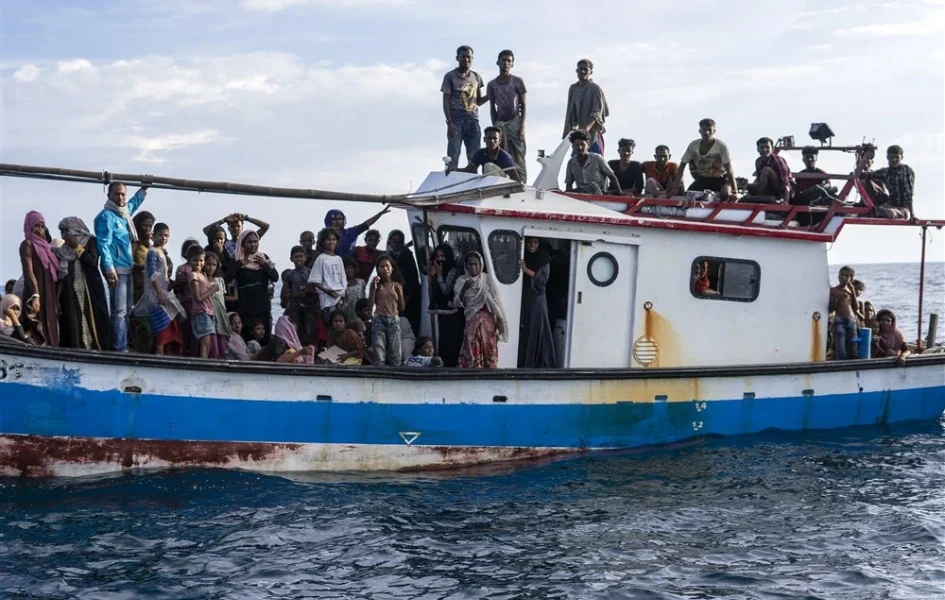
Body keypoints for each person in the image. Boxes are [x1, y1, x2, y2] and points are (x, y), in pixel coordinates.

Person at [94, 182, 150, 351]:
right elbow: (103, 244)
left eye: (123, 194)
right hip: (116, 268)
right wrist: (109, 267)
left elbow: (133, 203)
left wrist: (143, 189)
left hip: (127, 267)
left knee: (127, 310)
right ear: (109, 195)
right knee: (118, 311)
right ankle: (119, 347)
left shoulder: (123, 213)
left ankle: (124, 344)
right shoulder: (106, 217)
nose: (120, 197)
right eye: (117, 194)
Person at [55, 217, 113, 351]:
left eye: (66, 231)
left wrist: (77, 247)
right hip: (71, 292)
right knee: (73, 320)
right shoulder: (64, 250)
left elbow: (92, 262)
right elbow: (61, 276)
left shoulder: (91, 241)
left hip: (90, 289)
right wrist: (57, 298)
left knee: (94, 318)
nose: (64, 236)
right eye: (62, 232)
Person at [453, 251, 508, 369]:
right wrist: (464, 289)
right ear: (466, 266)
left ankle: (489, 370)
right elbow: (457, 302)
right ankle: (473, 369)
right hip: (471, 317)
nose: (473, 267)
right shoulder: (461, 281)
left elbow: (496, 301)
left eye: (475, 264)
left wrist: (499, 319)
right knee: (471, 342)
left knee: (489, 345)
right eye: (470, 264)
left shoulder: (486, 279)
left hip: (488, 320)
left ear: (480, 264)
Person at [135, 222, 184, 356]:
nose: (164, 238)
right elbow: (152, 273)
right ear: (154, 236)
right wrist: (159, 293)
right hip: (156, 295)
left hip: (162, 293)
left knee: (170, 325)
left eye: (166, 235)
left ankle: (165, 353)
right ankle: (159, 354)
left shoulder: (161, 252)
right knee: (162, 327)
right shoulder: (153, 252)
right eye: (161, 235)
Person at [226, 229, 278, 346]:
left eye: (255, 241)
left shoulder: (263, 257)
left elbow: (275, 277)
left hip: (262, 303)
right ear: (242, 244)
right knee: (246, 335)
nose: (253, 244)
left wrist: (264, 264)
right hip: (245, 305)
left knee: (264, 334)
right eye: (249, 242)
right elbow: (227, 279)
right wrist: (241, 263)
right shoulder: (236, 259)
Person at [19, 211, 60, 347]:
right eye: (36, 225)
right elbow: (28, 271)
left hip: (49, 293)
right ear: (29, 227)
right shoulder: (27, 244)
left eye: (42, 226)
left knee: (50, 324)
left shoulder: (48, 249)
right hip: (36, 292)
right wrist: (35, 294)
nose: (40, 229)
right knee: (36, 323)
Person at [442, 45, 486, 169]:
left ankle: (473, 178)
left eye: (469, 57)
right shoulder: (450, 76)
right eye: (463, 57)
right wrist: (449, 122)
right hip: (456, 121)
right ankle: (451, 177)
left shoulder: (476, 77)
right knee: (453, 155)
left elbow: (478, 101)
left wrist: (491, 95)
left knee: (474, 157)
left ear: (472, 59)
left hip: (473, 120)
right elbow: (446, 101)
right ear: (457, 58)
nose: (466, 59)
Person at [487, 49, 528, 181]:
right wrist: (494, 126)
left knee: (518, 154)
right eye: (503, 60)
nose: (506, 63)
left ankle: (521, 182)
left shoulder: (517, 81)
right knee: (502, 154)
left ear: (512, 64)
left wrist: (522, 127)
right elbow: (492, 106)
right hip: (500, 123)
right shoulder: (492, 84)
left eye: (509, 61)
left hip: (515, 122)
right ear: (498, 62)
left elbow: (523, 104)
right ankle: (504, 181)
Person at [672, 119, 737, 196]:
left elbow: (729, 169)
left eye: (709, 130)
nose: (707, 132)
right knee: (688, 195)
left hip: (721, 178)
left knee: (726, 193)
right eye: (704, 130)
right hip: (703, 178)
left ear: (714, 131)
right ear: (700, 131)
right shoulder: (693, 145)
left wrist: (735, 191)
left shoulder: (721, 146)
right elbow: (682, 166)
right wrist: (675, 187)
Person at [519, 238, 556, 368]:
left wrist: (525, 270)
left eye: (535, 242)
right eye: (530, 242)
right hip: (524, 296)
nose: (532, 245)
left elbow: (542, 280)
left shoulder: (543, 258)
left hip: (536, 299)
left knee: (536, 327)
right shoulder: (522, 254)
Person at [427, 243, 465, 367]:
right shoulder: (438, 271)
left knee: (452, 343)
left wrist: (439, 275)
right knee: (443, 341)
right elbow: (433, 293)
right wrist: (433, 276)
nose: (440, 259)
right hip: (442, 313)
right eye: (438, 256)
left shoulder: (453, 272)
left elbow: (446, 291)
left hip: (453, 314)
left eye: (443, 256)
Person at [562, 59, 609, 155]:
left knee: (595, 160)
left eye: (585, 69)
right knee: (575, 160)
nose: (582, 72)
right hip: (578, 136)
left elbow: (597, 112)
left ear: (590, 72)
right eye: (580, 69)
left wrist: (586, 130)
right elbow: (570, 113)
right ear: (577, 71)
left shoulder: (594, 88)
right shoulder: (573, 88)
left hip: (592, 134)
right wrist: (567, 133)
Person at [368, 255, 405, 366]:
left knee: (396, 355)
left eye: (387, 266)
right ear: (378, 269)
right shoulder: (376, 284)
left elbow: (402, 307)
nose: (385, 269)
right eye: (382, 266)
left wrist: (400, 294)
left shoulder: (397, 285)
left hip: (393, 320)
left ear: (392, 268)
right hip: (379, 320)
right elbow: (370, 305)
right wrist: (373, 288)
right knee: (379, 355)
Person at [449, 127, 522, 182]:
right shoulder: (480, 153)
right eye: (489, 138)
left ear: (499, 141)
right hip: (488, 182)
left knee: (488, 166)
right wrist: (454, 170)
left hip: (502, 183)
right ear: (484, 139)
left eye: (495, 138)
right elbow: (469, 170)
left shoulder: (505, 156)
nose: (492, 141)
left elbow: (516, 178)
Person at [863, 145, 915, 220]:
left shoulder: (905, 170)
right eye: (891, 157)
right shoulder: (885, 172)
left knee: (890, 213)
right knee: (865, 181)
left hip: (902, 208)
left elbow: (908, 194)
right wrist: (862, 158)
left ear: (901, 158)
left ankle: (876, 211)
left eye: (897, 157)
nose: (894, 160)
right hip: (890, 203)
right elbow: (865, 175)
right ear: (887, 157)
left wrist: (912, 215)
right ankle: (871, 208)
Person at [386, 230, 422, 336]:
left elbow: (412, 277)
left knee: (407, 323)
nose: (396, 244)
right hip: (398, 294)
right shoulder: (392, 254)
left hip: (409, 295)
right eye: (394, 241)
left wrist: (406, 295)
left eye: (399, 241)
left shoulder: (406, 255)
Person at [565, 131, 622, 195]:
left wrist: (620, 192)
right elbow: (569, 183)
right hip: (581, 193)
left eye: (582, 144)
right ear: (573, 146)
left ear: (588, 145)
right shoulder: (571, 163)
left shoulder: (597, 159)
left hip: (600, 193)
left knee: (592, 185)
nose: (580, 147)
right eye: (577, 145)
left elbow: (611, 176)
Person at [308, 228, 346, 324]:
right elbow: (314, 281)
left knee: (340, 325)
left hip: (339, 298)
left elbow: (343, 280)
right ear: (323, 242)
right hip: (327, 300)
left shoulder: (338, 259)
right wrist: (328, 291)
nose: (331, 242)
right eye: (328, 239)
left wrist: (341, 293)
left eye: (334, 239)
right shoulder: (321, 258)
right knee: (330, 324)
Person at [323, 207, 391, 259]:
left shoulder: (350, 233)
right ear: (329, 220)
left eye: (340, 219)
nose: (337, 221)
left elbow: (366, 224)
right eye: (334, 219)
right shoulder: (323, 235)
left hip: (347, 268)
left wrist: (380, 213)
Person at [131, 211, 155, 353]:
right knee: (141, 323)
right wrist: (144, 268)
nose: (147, 229)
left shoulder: (152, 246)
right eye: (144, 225)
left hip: (151, 290)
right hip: (137, 289)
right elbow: (128, 263)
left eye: (150, 226)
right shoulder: (134, 244)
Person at [281, 245, 315, 346]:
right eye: (296, 257)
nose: (299, 259)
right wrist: (296, 295)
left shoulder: (311, 273)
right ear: (291, 259)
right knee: (295, 331)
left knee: (309, 331)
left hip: (309, 307)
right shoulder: (289, 275)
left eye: (301, 256)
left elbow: (316, 290)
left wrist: (308, 290)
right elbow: (285, 294)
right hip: (294, 308)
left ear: (306, 258)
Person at [202, 213, 270, 260]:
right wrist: (224, 220)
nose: (235, 228)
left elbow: (266, 226)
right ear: (228, 228)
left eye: (238, 226)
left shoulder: (248, 241)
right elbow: (206, 230)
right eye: (232, 226)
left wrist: (246, 218)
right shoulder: (224, 242)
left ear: (242, 227)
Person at [747, 137, 793, 204]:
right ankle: (758, 197)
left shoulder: (778, 161)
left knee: (766, 170)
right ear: (758, 150)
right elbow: (760, 180)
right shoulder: (758, 161)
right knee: (749, 186)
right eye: (762, 147)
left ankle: (759, 196)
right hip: (769, 188)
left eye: (767, 147)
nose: (764, 149)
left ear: (772, 149)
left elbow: (785, 183)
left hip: (784, 190)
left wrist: (786, 201)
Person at [829, 266, 861, 360]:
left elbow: (856, 308)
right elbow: (831, 309)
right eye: (841, 274)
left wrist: (853, 292)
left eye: (847, 276)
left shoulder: (850, 291)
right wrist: (834, 298)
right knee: (841, 349)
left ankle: (853, 367)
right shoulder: (833, 290)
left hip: (852, 321)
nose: (843, 277)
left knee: (853, 349)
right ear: (838, 275)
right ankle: (840, 366)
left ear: (851, 279)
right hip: (840, 321)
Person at [204, 252, 231, 359]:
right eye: (208, 264)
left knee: (223, 346)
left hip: (221, 315)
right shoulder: (202, 280)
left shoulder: (219, 281)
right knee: (213, 347)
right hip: (209, 316)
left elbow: (222, 299)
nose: (211, 267)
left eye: (214, 265)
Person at [340, 258, 366, 324]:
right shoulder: (341, 285)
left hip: (360, 317)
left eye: (351, 268)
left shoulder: (361, 283)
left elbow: (364, 299)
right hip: (346, 317)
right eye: (346, 268)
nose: (349, 270)